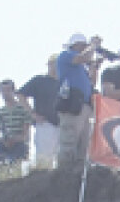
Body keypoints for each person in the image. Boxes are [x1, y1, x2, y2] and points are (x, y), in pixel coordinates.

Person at [55, 33, 97, 169]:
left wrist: (95, 67)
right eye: (84, 46)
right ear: (76, 45)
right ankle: (64, 172)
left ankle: (79, 172)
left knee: (83, 143)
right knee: (69, 140)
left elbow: (91, 83)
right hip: (73, 105)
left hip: (84, 106)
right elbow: (83, 57)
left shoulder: (81, 67)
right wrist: (94, 45)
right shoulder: (66, 55)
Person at [18, 56, 61, 167]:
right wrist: (32, 113)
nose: (55, 66)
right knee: (44, 161)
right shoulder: (40, 80)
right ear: (48, 65)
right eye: (52, 63)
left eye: (57, 63)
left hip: (63, 124)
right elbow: (20, 94)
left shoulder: (64, 83)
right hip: (45, 124)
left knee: (63, 160)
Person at [0, 80, 32, 167]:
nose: (5, 93)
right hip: (4, 144)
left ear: (13, 91)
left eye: (8, 90)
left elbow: (26, 134)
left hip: (19, 145)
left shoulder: (22, 110)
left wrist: (15, 139)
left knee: (16, 163)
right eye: (3, 91)